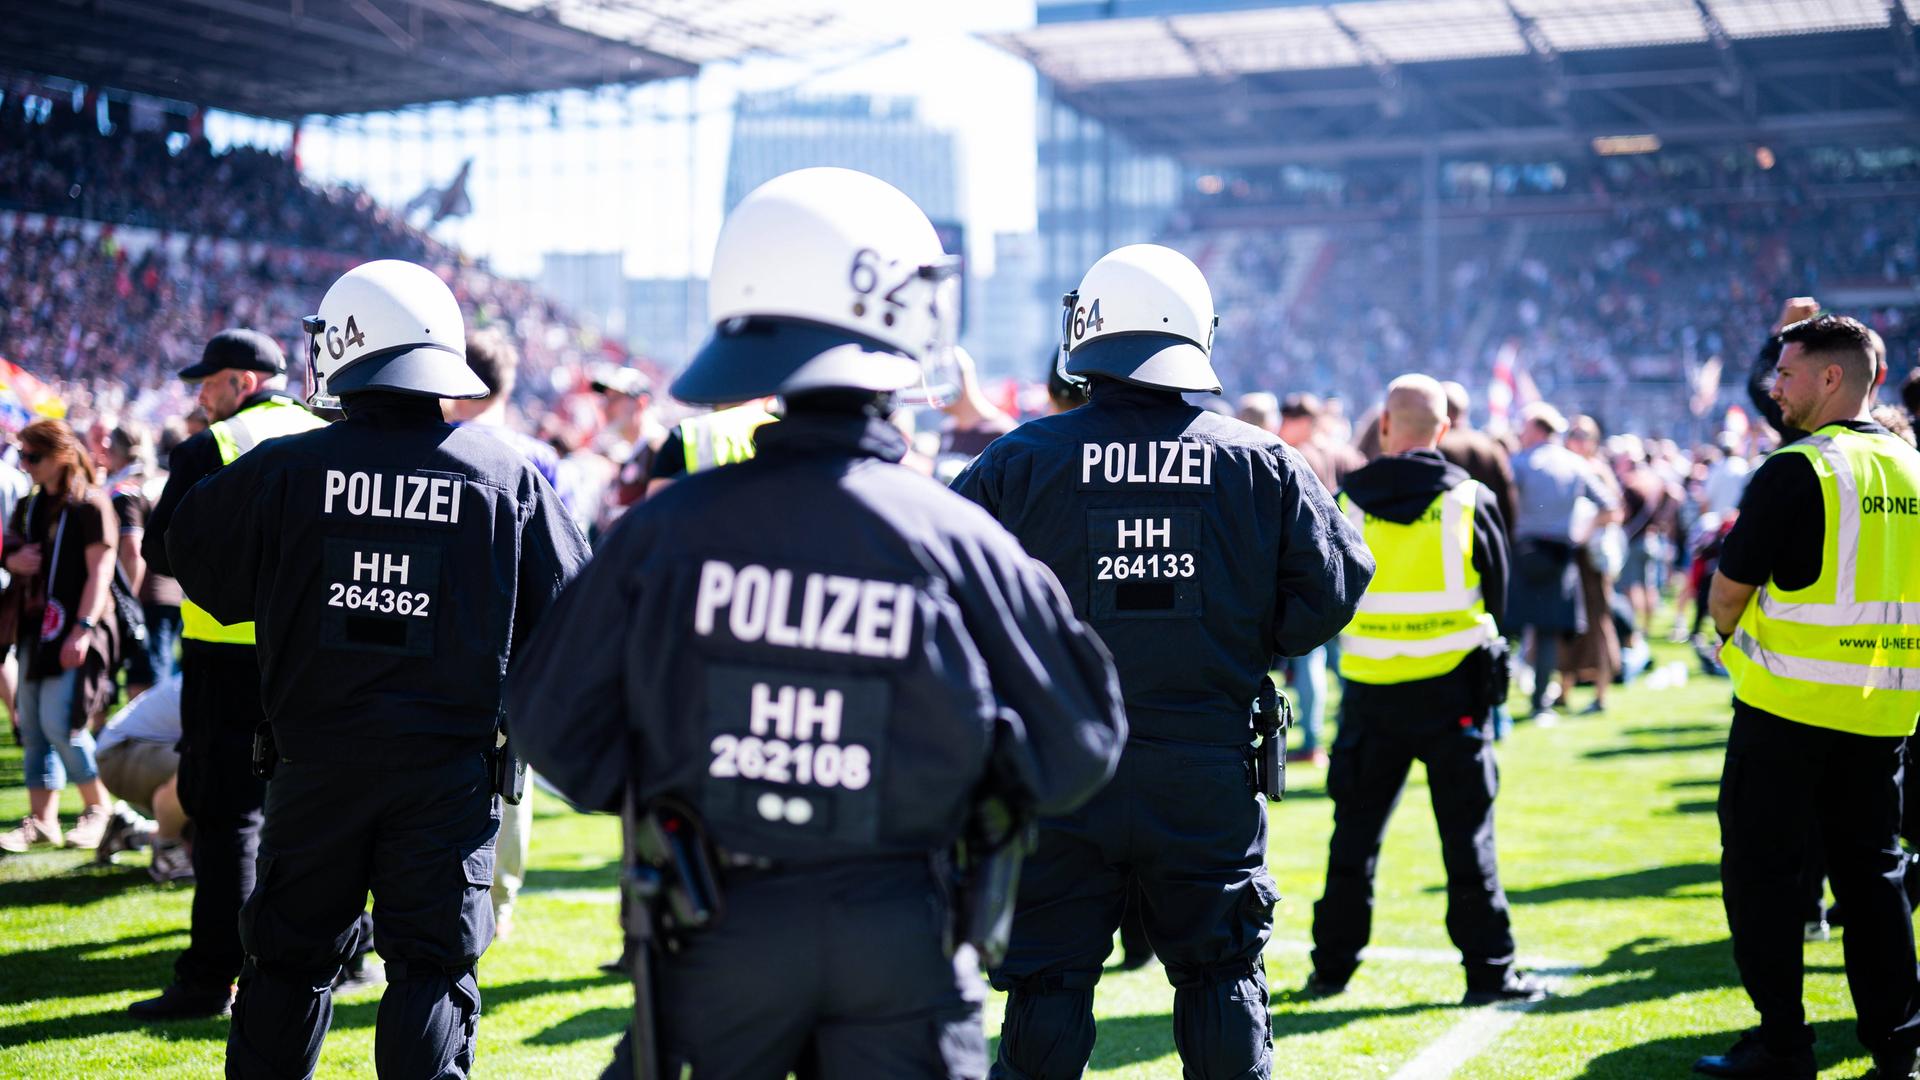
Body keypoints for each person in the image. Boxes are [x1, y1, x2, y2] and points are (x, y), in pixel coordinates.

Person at [507, 167, 1127, 1079]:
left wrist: (679, 783)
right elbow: (1079, 743)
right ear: (907, 320)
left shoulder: (660, 534)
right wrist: (952, 774)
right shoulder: (957, 536)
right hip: (904, 938)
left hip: (712, 928)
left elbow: (552, 726)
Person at [954, 243, 1373, 1079]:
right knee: (1221, 977)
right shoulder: (1261, 461)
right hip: (1205, 763)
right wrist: (1245, 641)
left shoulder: (1020, 459)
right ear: (1196, 332)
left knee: (1044, 987)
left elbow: (950, 587)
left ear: (1090, 331)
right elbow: (1333, 587)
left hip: (1062, 767)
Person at [163, 259, 588, 1078]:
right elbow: (571, 609)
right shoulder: (504, 475)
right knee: (430, 969)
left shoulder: (288, 466)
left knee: (286, 966)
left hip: (314, 766)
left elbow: (194, 554)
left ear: (350, 344)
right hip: (447, 775)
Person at [1699, 315, 1920, 1080]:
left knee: (1763, 874)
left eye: (1787, 372)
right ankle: (1898, 1042)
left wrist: (1727, 640)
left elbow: (1729, 591)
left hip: (1786, 708)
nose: (1774, 386)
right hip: (1884, 710)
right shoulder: (1914, 466)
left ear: (1833, 378)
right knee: (1875, 876)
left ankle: (1785, 1044)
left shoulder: (1800, 468)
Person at [1304, 373, 1545, 1005]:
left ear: (1385, 425)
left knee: (1352, 842)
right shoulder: (1471, 499)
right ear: (1443, 431)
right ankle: (1489, 973)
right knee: (1468, 841)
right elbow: (1500, 599)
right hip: (1453, 698)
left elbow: (1322, 597)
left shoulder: (1345, 501)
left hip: (1369, 695)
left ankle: (1330, 969)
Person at [129, 329, 329, 1021]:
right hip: (311, 656)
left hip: (227, 658)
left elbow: (161, 551)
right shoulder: (328, 432)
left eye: (208, 382)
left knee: (224, 820)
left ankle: (212, 979)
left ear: (242, 382)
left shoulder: (211, 446)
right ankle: (349, 956)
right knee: (319, 812)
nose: (199, 395)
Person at [442, 327, 561, 941]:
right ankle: (498, 899)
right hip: (517, 640)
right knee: (514, 767)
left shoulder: (440, 444)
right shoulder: (538, 455)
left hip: (444, 630)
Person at [0, 419, 118, 853]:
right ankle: (42, 820)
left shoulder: (90, 505)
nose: (25, 464)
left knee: (61, 723)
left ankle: (98, 809)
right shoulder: (30, 506)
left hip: (74, 628)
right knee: (30, 724)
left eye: (34, 457)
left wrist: (83, 629)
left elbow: (100, 572)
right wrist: (13, 560)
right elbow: (10, 548)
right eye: (23, 455)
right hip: (34, 627)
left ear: (60, 456)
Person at [1507, 402, 1618, 721]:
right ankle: (1540, 702)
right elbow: (1609, 506)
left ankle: (1501, 698)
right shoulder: (1576, 465)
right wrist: (1580, 533)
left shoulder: (1521, 462)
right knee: (1547, 632)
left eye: (1525, 426)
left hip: (1526, 550)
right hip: (1562, 554)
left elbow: (1506, 502)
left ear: (1538, 429)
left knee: (1512, 627)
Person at [92, 673, 193, 881]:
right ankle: (167, 848)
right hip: (118, 753)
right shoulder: (225, 677)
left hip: (143, 750)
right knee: (207, 769)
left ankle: (132, 832)